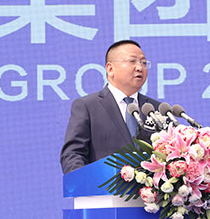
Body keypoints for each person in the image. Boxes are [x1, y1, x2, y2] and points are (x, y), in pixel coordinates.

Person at [60, 40, 159, 174]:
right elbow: (73, 154)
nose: (140, 67)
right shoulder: (88, 106)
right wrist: (85, 181)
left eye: (144, 63)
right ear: (110, 68)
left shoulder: (155, 109)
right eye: (132, 61)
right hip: (103, 186)